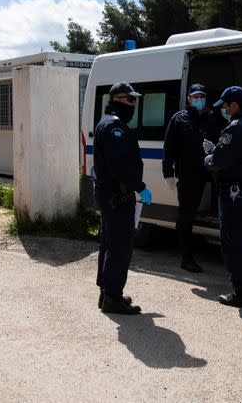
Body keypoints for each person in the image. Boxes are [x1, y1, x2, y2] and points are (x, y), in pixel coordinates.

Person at [203, 86, 242, 307]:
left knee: (233, 243)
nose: (223, 109)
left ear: (234, 105)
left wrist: (209, 157)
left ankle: (240, 293)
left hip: (234, 194)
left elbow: (219, 161)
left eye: (225, 105)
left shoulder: (234, 128)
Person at [93, 82, 152, 315]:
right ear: (117, 99)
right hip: (117, 197)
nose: (134, 105)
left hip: (110, 195)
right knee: (119, 247)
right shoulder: (115, 127)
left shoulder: (106, 123)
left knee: (108, 243)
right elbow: (120, 167)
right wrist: (140, 186)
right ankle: (112, 297)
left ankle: (107, 292)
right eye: (130, 100)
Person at [162, 83, 226, 272]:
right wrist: (168, 173)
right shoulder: (179, 119)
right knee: (186, 215)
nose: (199, 100)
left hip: (212, 173)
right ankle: (186, 257)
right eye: (196, 96)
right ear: (189, 99)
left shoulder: (212, 117)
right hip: (189, 175)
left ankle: (225, 255)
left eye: (202, 96)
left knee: (219, 211)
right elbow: (169, 148)